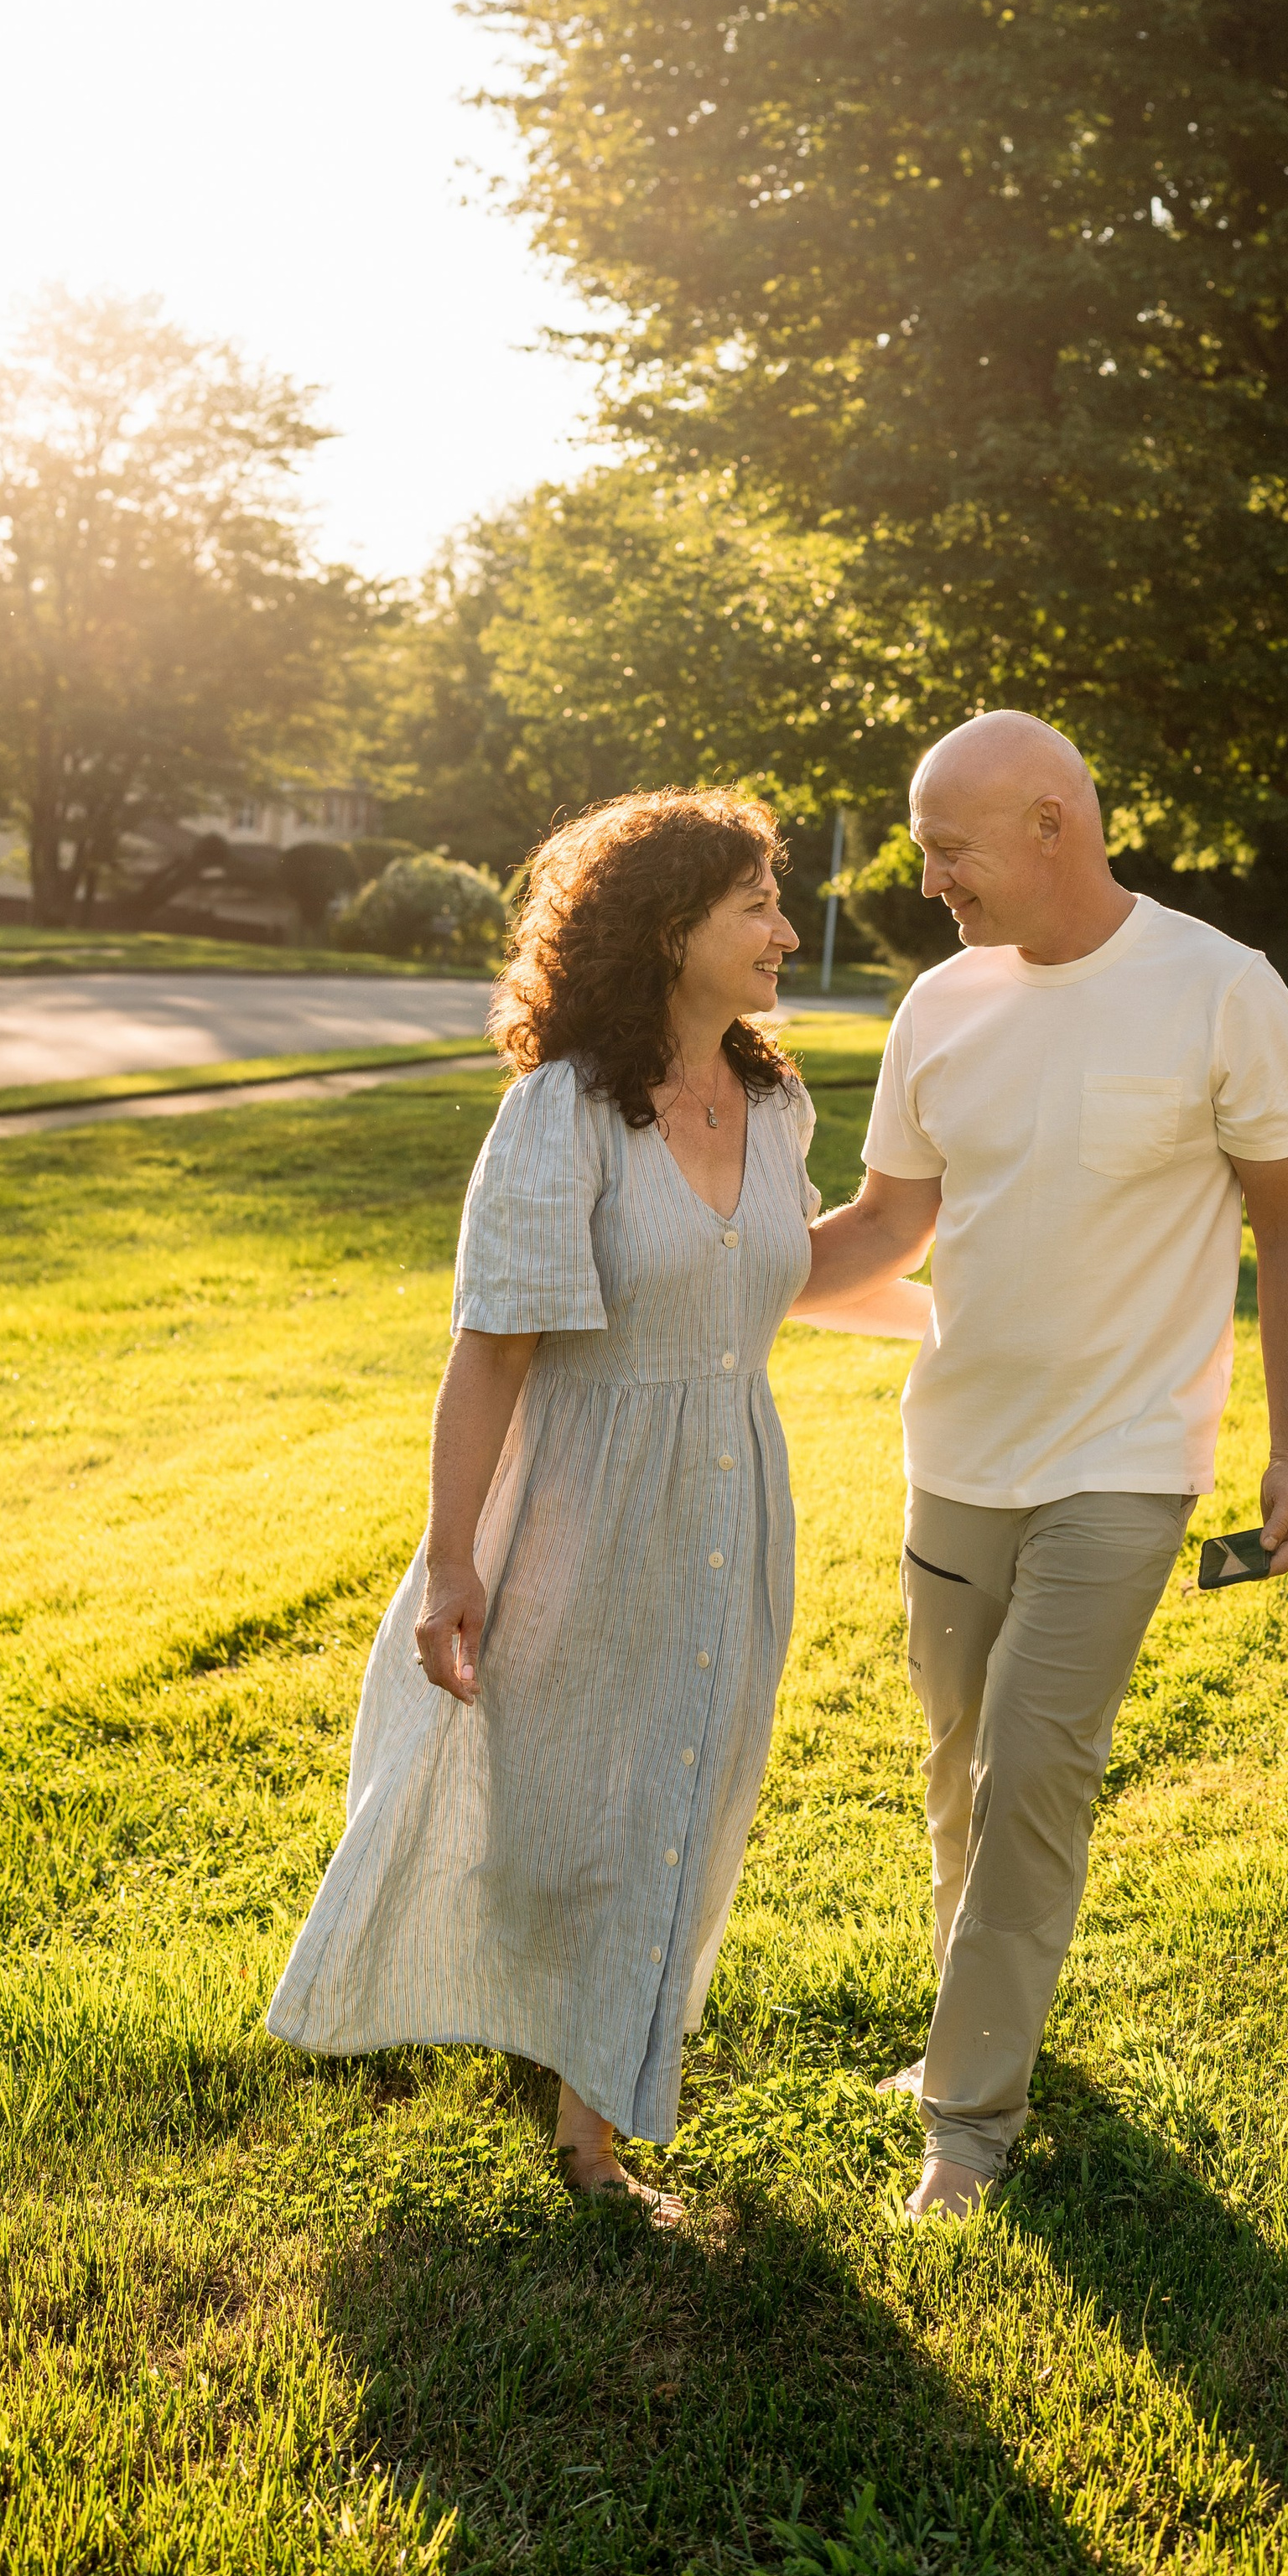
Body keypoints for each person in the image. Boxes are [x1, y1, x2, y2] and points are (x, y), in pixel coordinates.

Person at [266, 789, 911, 2211]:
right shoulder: (560, 1113)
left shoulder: (778, 1104)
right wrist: (451, 1563)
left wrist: (952, 1282)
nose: (785, 931)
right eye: (755, 905)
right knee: (555, 1802)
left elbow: (772, 1271)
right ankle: (547, 2026)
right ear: (668, 927)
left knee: (679, 1787)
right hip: (572, 1500)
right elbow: (492, 1350)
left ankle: (589, 2125)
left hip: (731, 1505)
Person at [792, 712, 1288, 2221]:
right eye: (922, 851)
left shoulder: (1219, 988)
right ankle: (977, 2029)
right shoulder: (941, 1005)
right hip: (958, 1447)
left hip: (1126, 1458)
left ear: (1053, 823)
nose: (930, 880)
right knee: (958, 1766)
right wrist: (717, 1265)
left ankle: (967, 2123)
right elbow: (887, 1228)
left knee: (1035, 1767)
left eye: (948, 849)